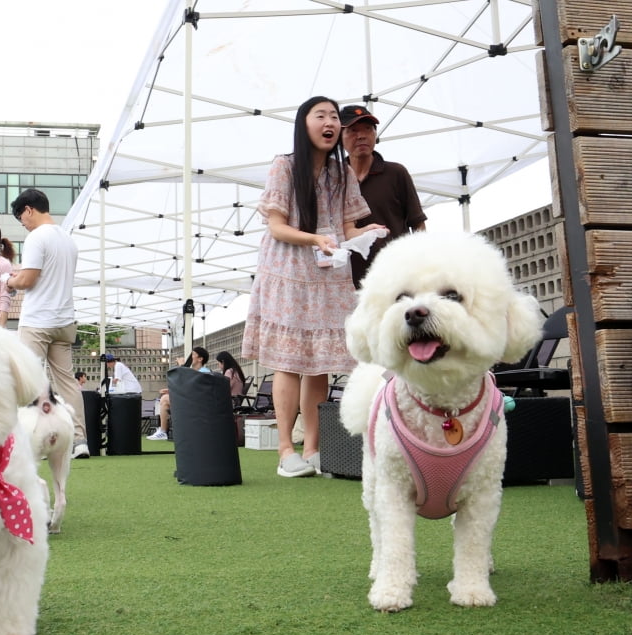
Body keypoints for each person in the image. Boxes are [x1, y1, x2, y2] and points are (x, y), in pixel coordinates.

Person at [242, 95, 385, 478]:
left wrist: (365, 231)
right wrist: (316, 240)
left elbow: (347, 227)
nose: (330, 122)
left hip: (326, 274)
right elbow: (276, 225)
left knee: (319, 364)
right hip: (287, 270)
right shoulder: (284, 166)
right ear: (303, 124)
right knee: (288, 362)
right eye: (320, 115)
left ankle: (313, 449)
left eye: (334, 117)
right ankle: (285, 450)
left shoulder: (341, 173)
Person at [4, 188, 89, 459]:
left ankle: (30, 441)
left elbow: (28, 281)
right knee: (68, 384)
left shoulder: (36, 238)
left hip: (38, 320)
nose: (23, 224)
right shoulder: (68, 240)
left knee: (27, 380)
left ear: (29, 209)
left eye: (22, 218)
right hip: (64, 320)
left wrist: (10, 281)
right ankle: (79, 441)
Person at [339, 104, 427, 289]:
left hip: (396, 277)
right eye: (353, 131)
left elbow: (418, 224)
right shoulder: (333, 180)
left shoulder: (396, 173)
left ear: (375, 135)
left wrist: (422, 265)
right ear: (340, 139)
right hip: (347, 280)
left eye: (368, 129)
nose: (361, 135)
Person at [147, 349, 213, 441]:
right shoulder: (192, 372)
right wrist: (170, 390)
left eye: (193, 354)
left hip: (198, 403)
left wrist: (182, 366)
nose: (190, 357)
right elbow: (185, 387)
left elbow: (195, 388)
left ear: (200, 359)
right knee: (164, 398)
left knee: (165, 399)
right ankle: (162, 431)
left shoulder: (204, 371)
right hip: (191, 401)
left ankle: (163, 431)